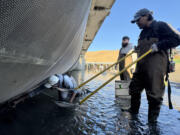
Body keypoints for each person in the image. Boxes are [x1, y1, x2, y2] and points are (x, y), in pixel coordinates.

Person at [128, 8, 180, 123]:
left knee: (154, 96)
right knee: (133, 90)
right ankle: (133, 114)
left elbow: (177, 39)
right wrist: (137, 50)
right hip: (140, 67)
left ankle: (152, 123)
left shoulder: (161, 26)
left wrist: (159, 45)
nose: (137, 23)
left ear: (146, 16)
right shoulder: (142, 33)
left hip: (155, 68)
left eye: (138, 20)